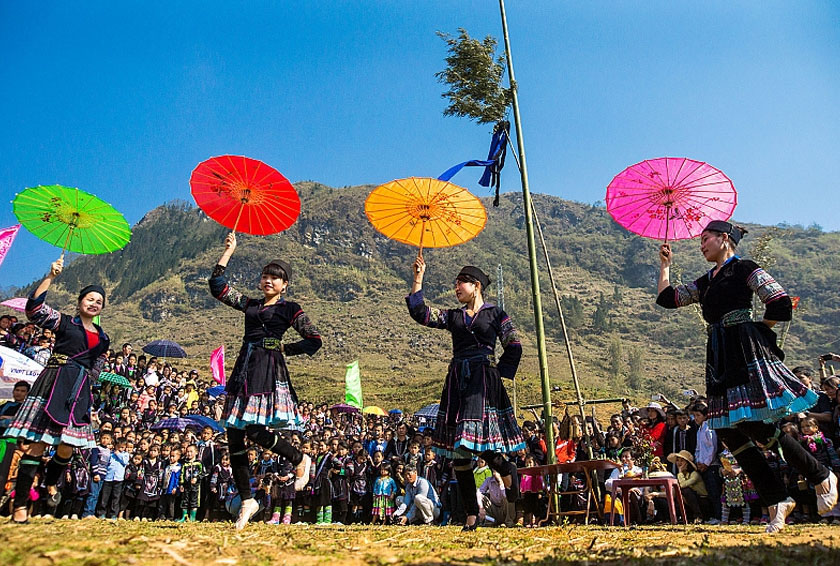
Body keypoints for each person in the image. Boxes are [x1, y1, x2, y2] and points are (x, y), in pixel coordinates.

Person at [657, 220, 838, 532]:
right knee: (727, 430)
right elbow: (669, 299)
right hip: (717, 355)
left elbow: (779, 301)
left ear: (725, 239)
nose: (702, 245)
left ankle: (821, 475)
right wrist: (664, 267)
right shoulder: (706, 281)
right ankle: (777, 499)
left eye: (706, 238)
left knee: (754, 425)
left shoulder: (744, 268)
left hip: (743, 351)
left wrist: (757, 329)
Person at [209, 233, 322, 529]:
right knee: (234, 432)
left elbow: (314, 339)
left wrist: (286, 348)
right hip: (244, 366)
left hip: (267, 369)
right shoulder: (250, 305)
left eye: (275, 277)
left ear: (285, 285)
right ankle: (247, 499)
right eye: (265, 276)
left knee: (253, 428)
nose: (268, 280)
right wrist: (228, 253)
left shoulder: (289, 308)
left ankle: (298, 457)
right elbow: (217, 288)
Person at [407, 258, 524, 531]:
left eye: (461, 282)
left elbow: (514, 345)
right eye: (456, 283)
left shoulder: (496, 314)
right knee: (460, 451)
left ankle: (509, 475)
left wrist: (498, 374)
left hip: (483, 381)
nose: (456, 287)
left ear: (476, 286)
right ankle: (473, 513)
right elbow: (420, 313)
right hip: (458, 380)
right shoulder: (454, 316)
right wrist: (418, 277)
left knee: (482, 448)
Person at [4, 257, 110, 524]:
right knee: (37, 445)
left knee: (66, 449)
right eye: (90, 298)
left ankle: (50, 483)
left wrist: (89, 390)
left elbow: (97, 365)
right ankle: (20, 506)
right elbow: (34, 311)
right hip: (53, 383)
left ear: (101, 308)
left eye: (99, 301)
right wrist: (50, 276)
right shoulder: (63, 322)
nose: (94, 303)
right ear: (80, 301)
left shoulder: (103, 337)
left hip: (79, 390)